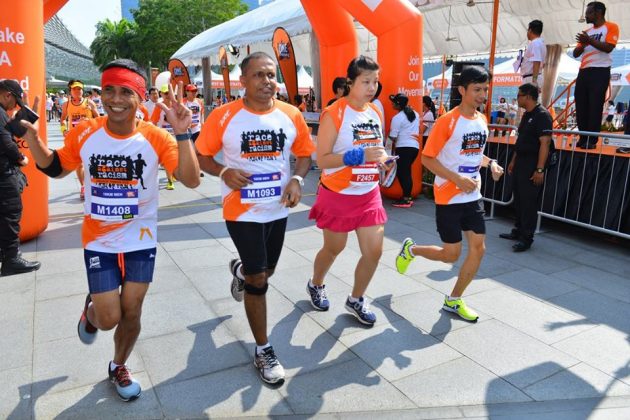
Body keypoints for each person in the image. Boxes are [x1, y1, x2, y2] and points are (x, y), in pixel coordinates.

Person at [20, 59, 200, 401]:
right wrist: (32, 138)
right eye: (108, 90)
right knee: (108, 318)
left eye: (126, 92)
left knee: (132, 310)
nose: (115, 99)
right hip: (99, 242)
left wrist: (182, 133)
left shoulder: (156, 136)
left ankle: (119, 365)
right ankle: (91, 313)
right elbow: (56, 167)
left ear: (140, 97)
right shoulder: (87, 131)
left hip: (140, 240)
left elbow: (191, 180)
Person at [196, 51, 314, 385]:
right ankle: (263, 349)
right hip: (241, 210)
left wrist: (297, 179)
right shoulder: (224, 116)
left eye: (271, 75)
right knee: (259, 280)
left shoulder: (291, 114)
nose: (267, 81)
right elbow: (201, 154)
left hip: (278, 209)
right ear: (243, 80)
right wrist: (224, 172)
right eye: (259, 75)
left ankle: (240, 271)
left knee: (266, 271)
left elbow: (305, 154)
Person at [395, 66, 504, 322]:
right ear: (462, 90)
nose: (482, 95)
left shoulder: (481, 120)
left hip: (472, 195)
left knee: (478, 249)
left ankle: (454, 299)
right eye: (477, 89)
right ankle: (411, 250)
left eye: (485, 89)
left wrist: (491, 163)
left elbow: (475, 154)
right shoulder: (447, 121)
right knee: (450, 255)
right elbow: (427, 158)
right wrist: (457, 179)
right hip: (448, 196)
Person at [307, 55, 392, 326]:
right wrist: (358, 155)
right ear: (350, 82)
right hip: (338, 194)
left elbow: (376, 148)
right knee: (334, 248)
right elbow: (322, 160)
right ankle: (316, 283)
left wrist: (384, 160)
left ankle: (356, 298)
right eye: (366, 81)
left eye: (375, 81)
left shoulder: (375, 111)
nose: (372, 88)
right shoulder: (335, 113)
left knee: (374, 251)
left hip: (369, 193)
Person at [500, 83, 552, 252]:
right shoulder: (527, 114)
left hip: (532, 163)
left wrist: (539, 169)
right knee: (519, 199)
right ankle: (518, 230)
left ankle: (526, 237)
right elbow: (521, 139)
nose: (517, 99)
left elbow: (545, 143)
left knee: (528, 202)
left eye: (519, 95)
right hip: (521, 161)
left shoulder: (542, 115)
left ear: (528, 96)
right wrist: (513, 160)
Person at [0, 79, 41, 276]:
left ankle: (5, 254)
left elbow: (11, 130)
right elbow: (5, 141)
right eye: (15, 101)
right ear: (7, 95)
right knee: (11, 213)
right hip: (3, 173)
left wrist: (27, 114)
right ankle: (12, 259)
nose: (14, 106)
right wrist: (20, 158)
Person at [573, 1, 619, 149]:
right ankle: (583, 137)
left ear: (598, 13)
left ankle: (591, 140)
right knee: (581, 105)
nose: (586, 15)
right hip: (584, 71)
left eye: (589, 13)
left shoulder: (611, 27)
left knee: (595, 106)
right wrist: (583, 43)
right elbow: (575, 53)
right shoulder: (587, 32)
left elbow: (609, 47)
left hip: (600, 71)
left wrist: (589, 41)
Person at [60, 80, 99, 200]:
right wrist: (64, 130)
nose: (77, 91)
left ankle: (92, 184)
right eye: (74, 89)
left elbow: (98, 118)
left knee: (91, 163)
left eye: (79, 89)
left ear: (83, 90)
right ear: (70, 91)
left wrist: (90, 122)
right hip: (75, 138)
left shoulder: (89, 102)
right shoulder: (66, 104)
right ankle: (83, 187)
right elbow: (63, 119)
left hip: (89, 137)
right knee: (79, 164)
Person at [388, 93, 420, 208]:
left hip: (404, 148)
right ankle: (406, 197)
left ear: (398, 104)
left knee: (403, 173)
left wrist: (388, 135)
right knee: (405, 172)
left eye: (393, 102)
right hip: (414, 147)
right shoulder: (415, 114)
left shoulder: (397, 118)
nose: (391, 104)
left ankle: (406, 199)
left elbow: (393, 136)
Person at [150, 84, 177, 190]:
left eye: (169, 93)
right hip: (164, 137)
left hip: (176, 136)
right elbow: (153, 122)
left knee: (175, 158)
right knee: (167, 159)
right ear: (161, 94)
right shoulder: (159, 106)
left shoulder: (176, 106)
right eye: (165, 93)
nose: (167, 95)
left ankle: (172, 173)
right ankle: (170, 181)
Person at [517, 20, 546, 89]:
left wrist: (534, 81)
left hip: (531, 78)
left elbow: (537, 62)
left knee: (527, 96)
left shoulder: (535, 43)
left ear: (530, 30)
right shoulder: (540, 43)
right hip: (532, 77)